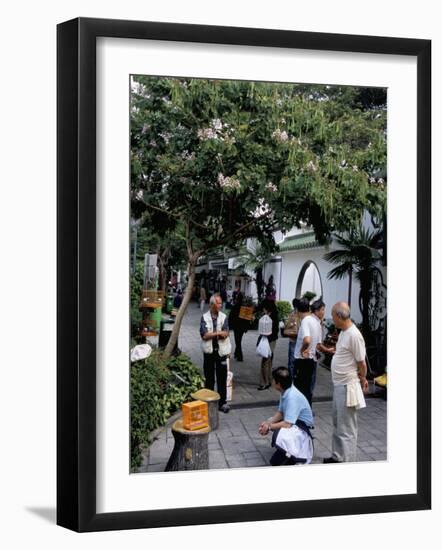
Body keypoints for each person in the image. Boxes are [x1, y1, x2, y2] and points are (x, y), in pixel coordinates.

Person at [323, 302, 368, 463]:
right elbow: (342, 352)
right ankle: (338, 456)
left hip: (348, 386)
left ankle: (346, 461)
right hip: (339, 385)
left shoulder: (354, 335)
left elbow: (361, 362)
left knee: (347, 427)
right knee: (338, 423)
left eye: (333, 315)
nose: (332, 319)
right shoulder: (343, 332)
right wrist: (328, 351)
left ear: (340, 316)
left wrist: (363, 378)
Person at [258, 367, 314, 466]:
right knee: (272, 422)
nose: (272, 381)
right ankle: (286, 450)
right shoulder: (285, 390)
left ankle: (291, 453)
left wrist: (269, 426)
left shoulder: (292, 396)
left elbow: (287, 424)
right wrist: (268, 423)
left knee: (279, 431)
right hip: (294, 421)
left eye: (273, 379)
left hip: (302, 427)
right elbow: (281, 413)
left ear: (278, 384)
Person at [293, 299, 333, 405]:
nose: (324, 312)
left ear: (297, 310)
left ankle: (301, 414)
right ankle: (307, 412)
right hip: (311, 361)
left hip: (302, 360)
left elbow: (307, 340)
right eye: (322, 309)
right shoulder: (317, 323)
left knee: (300, 389)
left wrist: (302, 350)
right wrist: (328, 350)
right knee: (307, 388)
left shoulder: (306, 320)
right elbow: (318, 345)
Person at [200, 293, 232, 413]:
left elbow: (226, 333)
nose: (220, 305)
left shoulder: (224, 317)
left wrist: (213, 334)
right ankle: (209, 402)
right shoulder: (204, 317)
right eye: (218, 303)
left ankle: (222, 403)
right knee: (209, 378)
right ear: (212, 304)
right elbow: (204, 335)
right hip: (209, 352)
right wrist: (218, 333)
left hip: (221, 352)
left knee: (222, 378)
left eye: (220, 303)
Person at [257, 299, 279, 390]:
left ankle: (264, 382)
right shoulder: (270, 316)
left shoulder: (271, 317)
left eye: (264, 308)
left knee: (265, 361)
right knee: (268, 360)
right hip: (271, 340)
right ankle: (269, 380)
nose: (263, 310)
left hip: (269, 340)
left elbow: (272, 331)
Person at [285, 298, 308, 381]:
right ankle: (293, 379)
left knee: (292, 362)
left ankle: (293, 379)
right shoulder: (296, 315)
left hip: (295, 340)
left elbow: (286, 325)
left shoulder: (294, 314)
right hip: (296, 340)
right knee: (294, 362)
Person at [228, 292, 250, 361]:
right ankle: (236, 353)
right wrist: (246, 327)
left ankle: (240, 356)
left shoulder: (235, 307)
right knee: (238, 340)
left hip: (236, 327)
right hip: (242, 327)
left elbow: (231, 317)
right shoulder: (244, 307)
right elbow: (247, 319)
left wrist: (230, 326)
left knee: (238, 341)